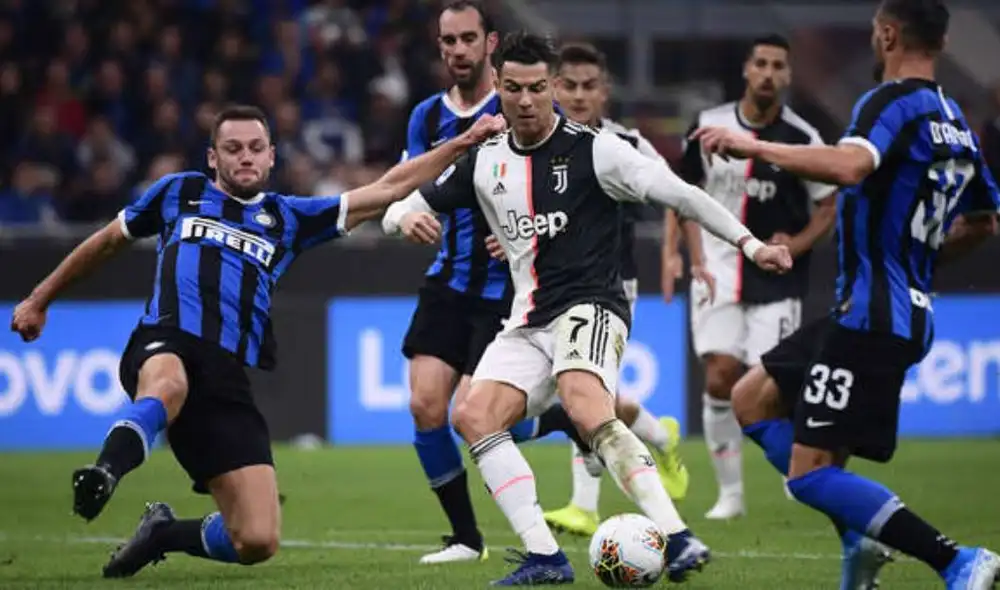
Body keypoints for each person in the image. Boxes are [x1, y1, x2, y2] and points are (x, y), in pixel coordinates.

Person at [9, 104, 504, 578]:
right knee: (166, 384)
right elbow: (108, 241)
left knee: (256, 539)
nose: (244, 156)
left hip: (225, 379)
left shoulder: (290, 217)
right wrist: (39, 298)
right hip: (166, 338)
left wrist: (462, 142)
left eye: (255, 147)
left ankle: (162, 534)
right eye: (232, 148)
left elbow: (390, 186)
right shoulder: (177, 193)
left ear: (271, 155)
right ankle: (105, 472)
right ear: (213, 157)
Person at [383, 31, 791, 586]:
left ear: (550, 86)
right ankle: (545, 558)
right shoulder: (484, 161)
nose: (525, 101)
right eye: (512, 89)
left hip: (593, 306)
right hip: (527, 320)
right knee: (470, 415)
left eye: (535, 88)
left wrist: (751, 245)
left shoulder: (597, 150)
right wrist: (401, 218)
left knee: (583, 401)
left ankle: (677, 536)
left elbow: (683, 195)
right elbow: (403, 202)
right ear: (496, 87)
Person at [693, 1, 1000, 587]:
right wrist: (917, 265)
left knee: (810, 475)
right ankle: (860, 541)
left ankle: (955, 560)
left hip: (869, 316)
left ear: (886, 33)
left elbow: (851, 166)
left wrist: (755, 147)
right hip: (883, 310)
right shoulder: (955, 120)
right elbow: (984, 220)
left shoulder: (889, 102)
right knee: (750, 399)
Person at [489, 42, 689, 539]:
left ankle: (586, 504)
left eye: (588, 86)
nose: (578, 96)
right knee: (595, 398)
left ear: (604, 91)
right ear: (555, 87)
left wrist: (673, 253)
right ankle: (657, 435)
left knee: (588, 397)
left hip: (611, 288)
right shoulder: (531, 145)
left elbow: (678, 196)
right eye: (569, 86)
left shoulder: (624, 144)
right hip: (549, 290)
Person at [669, 33, 838, 520]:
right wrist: (691, 256)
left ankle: (796, 470)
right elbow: (682, 195)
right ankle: (731, 495)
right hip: (719, 270)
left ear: (787, 75)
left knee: (774, 386)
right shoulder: (708, 125)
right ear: (747, 69)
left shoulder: (802, 137)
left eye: (777, 66)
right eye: (760, 62)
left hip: (778, 279)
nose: (767, 72)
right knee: (720, 376)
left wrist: (797, 244)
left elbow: (828, 207)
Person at [396, 0, 505, 564]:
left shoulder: (522, 104)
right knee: (424, 405)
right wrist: (405, 214)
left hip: (505, 290)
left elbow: (562, 189)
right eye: (448, 41)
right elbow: (405, 184)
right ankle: (467, 539)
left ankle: (556, 415)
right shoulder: (425, 117)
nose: (458, 50)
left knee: (475, 413)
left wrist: (521, 238)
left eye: (468, 38)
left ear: (491, 42)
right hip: (448, 280)